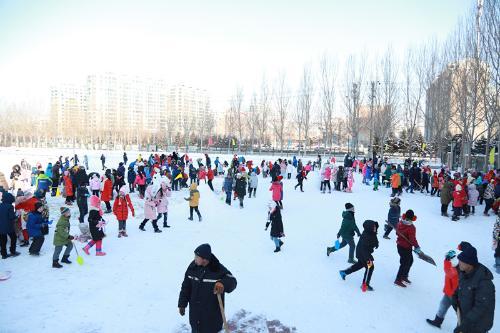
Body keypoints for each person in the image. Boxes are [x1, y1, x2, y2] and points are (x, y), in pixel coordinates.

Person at [178, 244, 237, 333]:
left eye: (197, 257)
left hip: (212, 317)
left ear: (205, 259)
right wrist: (182, 304)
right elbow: (186, 287)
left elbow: (232, 281)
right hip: (195, 315)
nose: (195, 259)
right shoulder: (192, 267)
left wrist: (223, 283)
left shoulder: (217, 269)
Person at [451, 242, 495, 333]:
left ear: (469, 264)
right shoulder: (465, 273)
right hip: (465, 320)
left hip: (477, 326)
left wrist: (465, 324)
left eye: (461, 261)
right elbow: (461, 288)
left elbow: (481, 307)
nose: (458, 263)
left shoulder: (484, 282)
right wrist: (455, 297)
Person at [339, 220, 379, 291]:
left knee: (360, 265)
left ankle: (344, 272)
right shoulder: (367, 236)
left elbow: (374, 239)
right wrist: (368, 259)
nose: (375, 229)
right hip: (363, 254)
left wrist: (376, 243)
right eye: (373, 227)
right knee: (370, 267)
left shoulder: (371, 233)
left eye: (375, 227)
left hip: (363, 253)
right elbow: (364, 249)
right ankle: (365, 285)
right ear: (369, 228)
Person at [426, 249, 459, 328]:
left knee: (460, 313)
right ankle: (437, 322)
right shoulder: (453, 266)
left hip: (457, 295)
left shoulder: (457, 269)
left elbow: (449, 272)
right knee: (443, 305)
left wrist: (446, 261)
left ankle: (461, 329)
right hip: (449, 292)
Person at [394, 209, 421, 287]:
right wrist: (417, 247)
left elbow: (396, 233)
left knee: (410, 261)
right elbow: (412, 239)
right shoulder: (411, 227)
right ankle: (398, 279)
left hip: (400, 246)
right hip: (405, 247)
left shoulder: (400, 223)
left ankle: (404, 276)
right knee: (404, 263)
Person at [0, 192, 20, 259]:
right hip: (8, 226)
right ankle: (13, 251)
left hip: (1, 227)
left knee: (3, 240)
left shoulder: (0, 205)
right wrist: (16, 216)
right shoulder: (10, 206)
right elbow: (11, 217)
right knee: (13, 238)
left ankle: (3, 254)